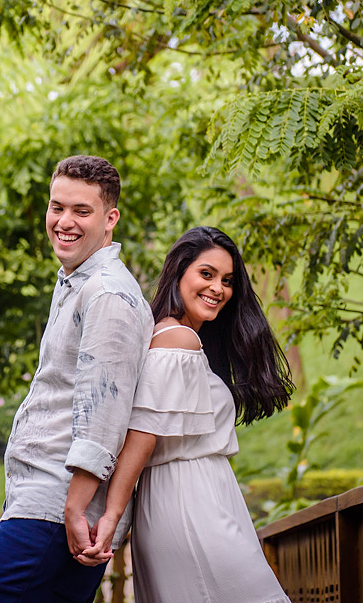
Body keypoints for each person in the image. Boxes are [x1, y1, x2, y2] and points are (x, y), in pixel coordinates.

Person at [0, 155, 154, 603]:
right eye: (57, 207)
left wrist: (74, 507)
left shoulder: (107, 293)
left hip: (57, 507)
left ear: (110, 219)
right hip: (48, 503)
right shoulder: (77, 282)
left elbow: (104, 414)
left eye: (81, 211)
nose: (64, 222)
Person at [86, 226, 296, 603]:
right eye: (206, 274)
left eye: (227, 280)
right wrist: (111, 517)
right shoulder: (176, 338)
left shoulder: (182, 337)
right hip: (189, 503)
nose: (219, 288)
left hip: (190, 499)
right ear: (179, 272)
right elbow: (143, 433)